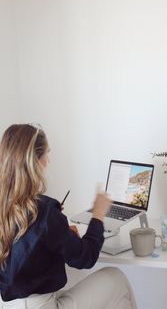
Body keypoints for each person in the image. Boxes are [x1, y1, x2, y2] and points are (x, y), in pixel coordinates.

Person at [0, 124, 137, 309]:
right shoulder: (44, 211)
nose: (48, 160)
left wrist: (59, 232)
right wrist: (98, 214)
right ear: (36, 162)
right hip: (42, 305)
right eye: (47, 154)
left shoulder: (10, 207)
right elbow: (86, 258)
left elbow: (23, 251)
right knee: (116, 278)